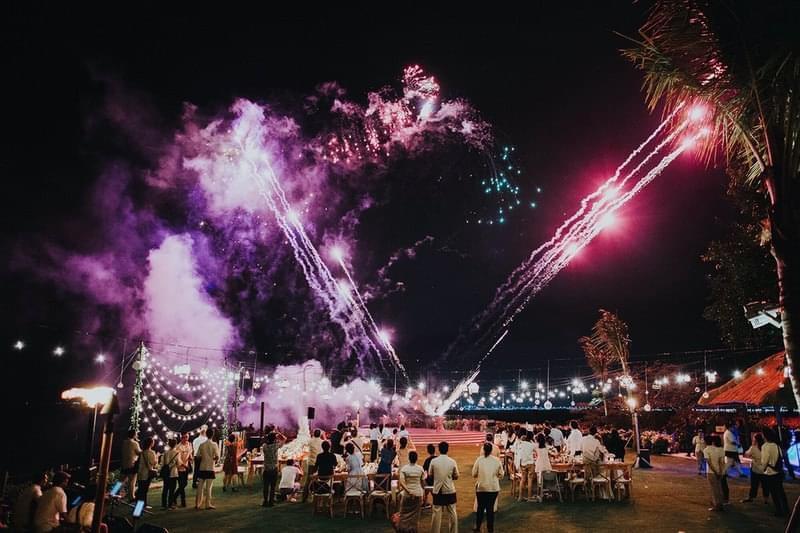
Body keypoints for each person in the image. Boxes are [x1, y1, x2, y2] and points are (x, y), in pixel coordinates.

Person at [472, 442, 503, 533]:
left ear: (484, 450)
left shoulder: (479, 459)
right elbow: (501, 474)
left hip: (481, 487)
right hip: (493, 488)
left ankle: (478, 527)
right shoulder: (496, 460)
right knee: (490, 509)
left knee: (480, 508)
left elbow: (473, 473)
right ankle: (490, 529)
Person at [430, 441, 459, 533]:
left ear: (439, 449)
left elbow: (430, 474)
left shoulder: (434, 461)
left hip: (438, 490)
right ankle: (453, 531)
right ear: (447, 449)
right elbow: (456, 475)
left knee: (436, 513)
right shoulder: (452, 461)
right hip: (449, 489)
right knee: (452, 512)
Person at [762, 427, 789, 516]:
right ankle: (786, 509)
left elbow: (765, 461)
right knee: (781, 492)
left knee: (774, 493)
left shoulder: (765, 446)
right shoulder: (776, 445)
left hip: (770, 472)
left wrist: (763, 469)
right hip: (778, 472)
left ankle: (779, 511)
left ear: (765, 435)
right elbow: (781, 456)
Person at [397, 450, 425, 533]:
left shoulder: (404, 469)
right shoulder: (420, 469)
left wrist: (408, 491)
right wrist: (422, 493)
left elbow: (401, 482)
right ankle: (413, 530)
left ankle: (402, 530)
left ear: (409, 458)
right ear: (416, 459)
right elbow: (422, 483)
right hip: (418, 493)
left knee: (403, 514)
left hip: (407, 494)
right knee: (415, 516)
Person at [196, 429, 220, 510]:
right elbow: (217, 456)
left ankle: (198, 504)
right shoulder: (214, 444)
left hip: (202, 467)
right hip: (210, 467)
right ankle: (207, 504)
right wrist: (213, 459)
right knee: (209, 487)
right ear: (212, 435)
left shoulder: (202, 445)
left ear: (206, 434)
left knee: (200, 487)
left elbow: (198, 456)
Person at [742, 433, 769, 504]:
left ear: (755, 440)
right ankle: (766, 499)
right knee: (765, 485)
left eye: (753, 438)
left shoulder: (753, 448)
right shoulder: (765, 447)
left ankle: (751, 497)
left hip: (755, 469)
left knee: (754, 485)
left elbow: (746, 454)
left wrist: (752, 456)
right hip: (764, 469)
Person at [704, 435, 727, 511]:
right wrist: (720, 471)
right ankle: (720, 503)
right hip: (719, 471)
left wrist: (715, 471)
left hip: (711, 472)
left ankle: (717, 505)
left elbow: (709, 463)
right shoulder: (721, 449)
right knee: (719, 488)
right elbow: (721, 462)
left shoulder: (707, 450)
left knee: (714, 489)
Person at [261, 431, 284, 507]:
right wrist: (279, 433)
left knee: (266, 486)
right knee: (273, 487)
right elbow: (284, 439)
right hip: (274, 469)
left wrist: (268, 437)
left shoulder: (264, 446)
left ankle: (265, 501)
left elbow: (264, 441)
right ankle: (271, 501)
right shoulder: (276, 446)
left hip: (266, 469)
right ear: (274, 439)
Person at [120, 430, 142, 502]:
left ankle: (113, 494)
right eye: (136, 434)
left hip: (124, 464)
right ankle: (131, 497)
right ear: (134, 435)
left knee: (120, 482)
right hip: (132, 465)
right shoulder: (135, 443)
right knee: (132, 482)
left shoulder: (124, 442)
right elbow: (139, 453)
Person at [302, 428, 323, 502]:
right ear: (320, 434)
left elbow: (304, 445)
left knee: (308, 480)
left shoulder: (310, 441)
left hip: (311, 462)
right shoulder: (322, 442)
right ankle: (316, 498)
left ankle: (304, 497)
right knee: (318, 480)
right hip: (319, 463)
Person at [136, 437, 158, 507]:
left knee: (141, 490)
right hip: (147, 474)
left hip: (140, 473)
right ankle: (138, 510)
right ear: (151, 444)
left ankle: (142, 506)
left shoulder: (142, 452)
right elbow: (153, 463)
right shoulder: (152, 452)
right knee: (144, 491)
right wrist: (157, 457)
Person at [514, 431, 535, 501]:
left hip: (523, 463)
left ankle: (520, 496)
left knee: (523, 479)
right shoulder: (531, 445)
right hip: (530, 463)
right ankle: (529, 497)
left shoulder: (520, 444)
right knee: (530, 480)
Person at [174, 432, 193, 508]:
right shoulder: (178, 447)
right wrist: (183, 465)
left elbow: (190, 453)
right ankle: (183, 502)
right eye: (184, 437)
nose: (186, 438)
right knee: (181, 484)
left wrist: (190, 457)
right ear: (181, 438)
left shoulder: (189, 444)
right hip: (180, 468)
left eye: (187, 437)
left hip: (186, 467)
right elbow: (177, 459)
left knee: (184, 484)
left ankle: (174, 497)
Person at [161, 438, 180, 510]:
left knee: (165, 489)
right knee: (172, 489)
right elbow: (178, 463)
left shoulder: (165, 453)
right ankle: (170, 504)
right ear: (175, 444)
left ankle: (164, 504)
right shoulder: (176, 453)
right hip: (173, 473)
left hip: (166, 473)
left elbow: (162, 463)